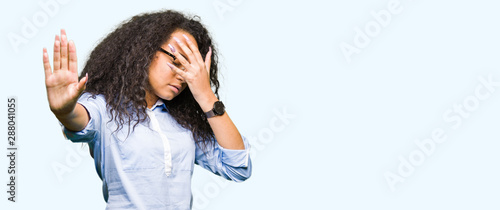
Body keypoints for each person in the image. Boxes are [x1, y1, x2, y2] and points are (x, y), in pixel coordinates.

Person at [42, 10, 252, 209]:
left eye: (189, 69)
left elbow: (238, 166)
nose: (183, 75)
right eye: (176, 61)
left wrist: (206, 96)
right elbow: (79, 119)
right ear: (145, 51)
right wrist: (64, 110)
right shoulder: (104, 107)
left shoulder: (183, 120)